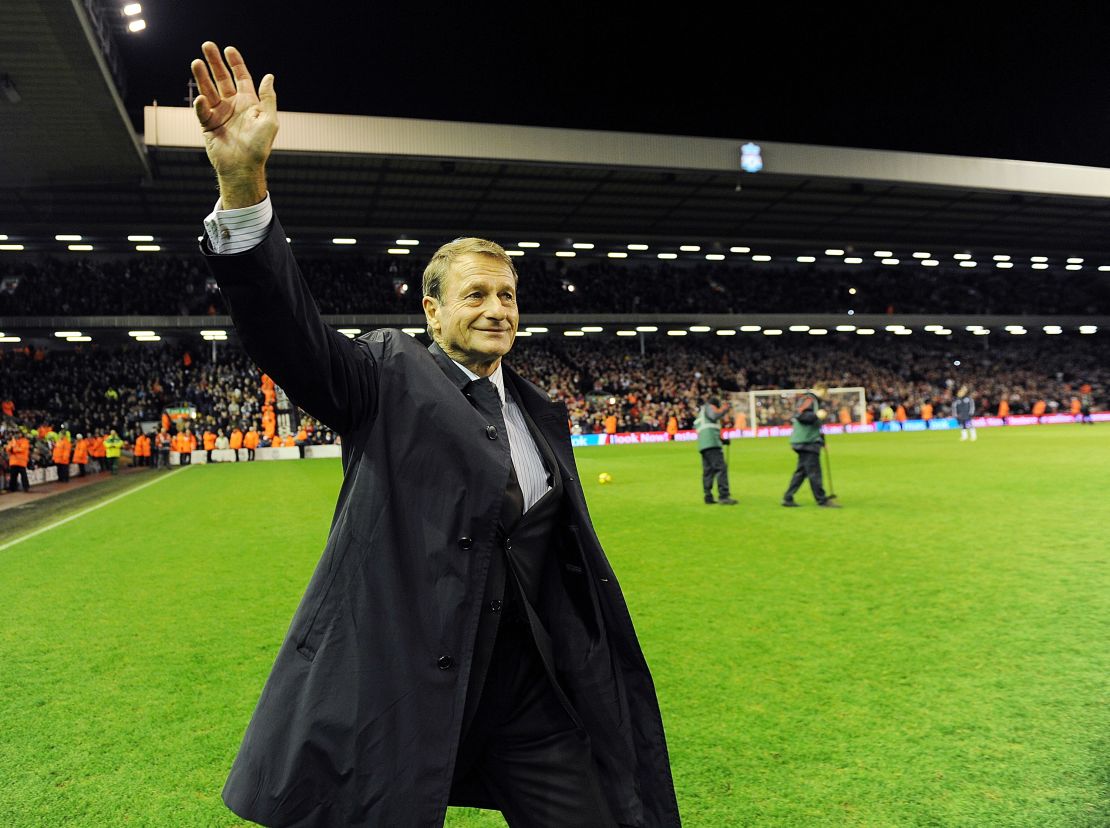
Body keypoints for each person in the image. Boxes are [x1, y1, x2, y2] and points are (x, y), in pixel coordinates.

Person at [190, 42, 678, 828]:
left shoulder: (540, 412)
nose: (496, 308)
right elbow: (291, 341)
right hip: (406, 684)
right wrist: (243, 185)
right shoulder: (386, 376)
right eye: (475, 294)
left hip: (528, 695)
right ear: (432, 311)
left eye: (508, 294)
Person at [782, 388, 839, 508]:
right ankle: (822, 500)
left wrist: (821, 441)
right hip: (807, 442)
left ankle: (788, 497)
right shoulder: (809, 399)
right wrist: (816, 415)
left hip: (806, 441)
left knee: (802, 472)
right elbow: (801, 416)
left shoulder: (811, 400)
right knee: (814, 472)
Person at [694, 396, 737, 505]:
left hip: (704, 445)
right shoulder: (709, 408)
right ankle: (724, 496)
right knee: (721, 468)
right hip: (712, 444)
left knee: (708, 471)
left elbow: (708, 429)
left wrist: (723, 440)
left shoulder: (701, 414)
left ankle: (708, 495)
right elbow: (714, 416)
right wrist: (724, 409)